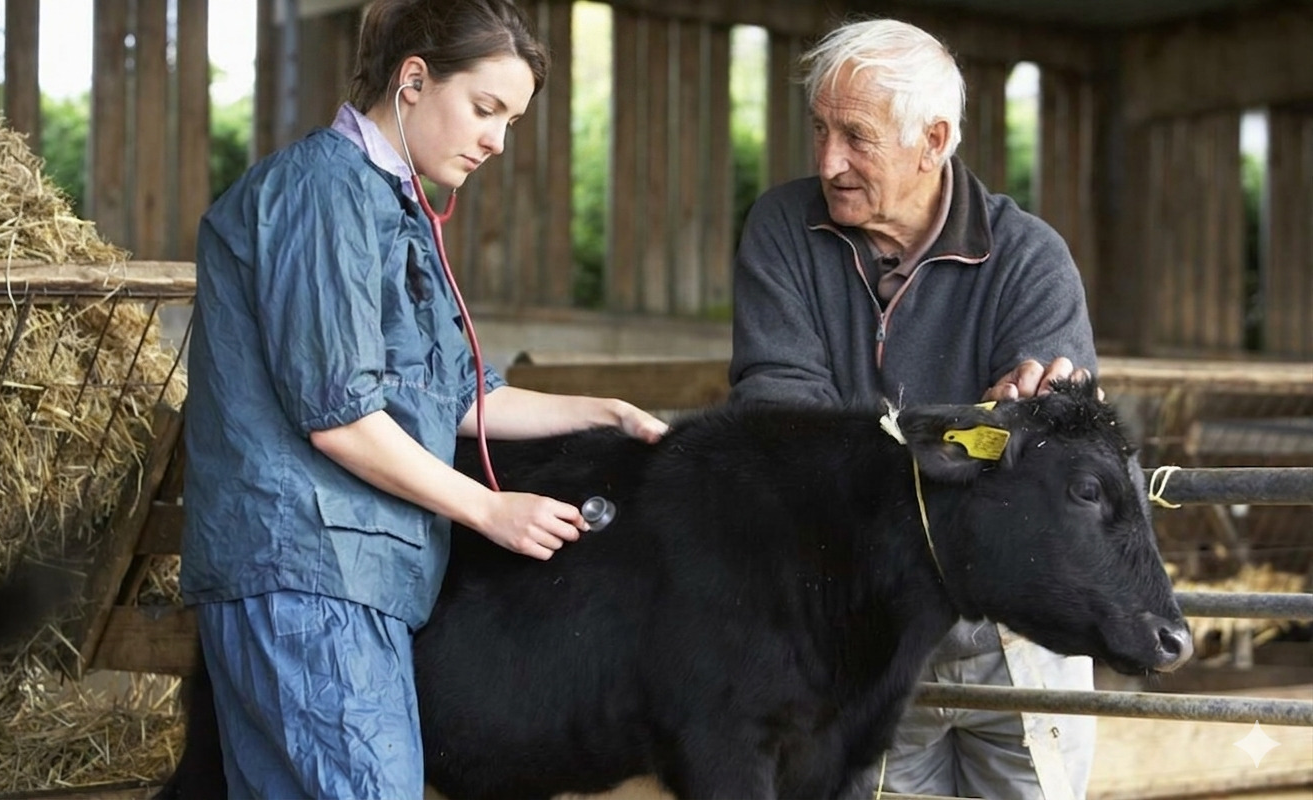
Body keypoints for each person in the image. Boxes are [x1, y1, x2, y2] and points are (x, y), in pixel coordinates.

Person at [180, 1, 668, 797]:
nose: (496, 141)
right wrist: (489, 509)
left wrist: (603, 409)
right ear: (413, 80)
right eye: (485, 109)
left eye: (511, 121)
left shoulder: (388, 205)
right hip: (307, 569)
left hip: (352, 575)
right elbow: (339, 417)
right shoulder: (321, 195)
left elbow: (453, 396)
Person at [728, 17, 1099, 800]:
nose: (829, 161)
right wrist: (978, 434)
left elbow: (1056, 451)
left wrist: (1037, 426)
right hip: (867, 622)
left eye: (856, 137)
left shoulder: (1030, 256)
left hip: (1016, 626)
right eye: (821, 130)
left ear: (933, 141)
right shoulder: (782, 231)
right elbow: (781, 425)